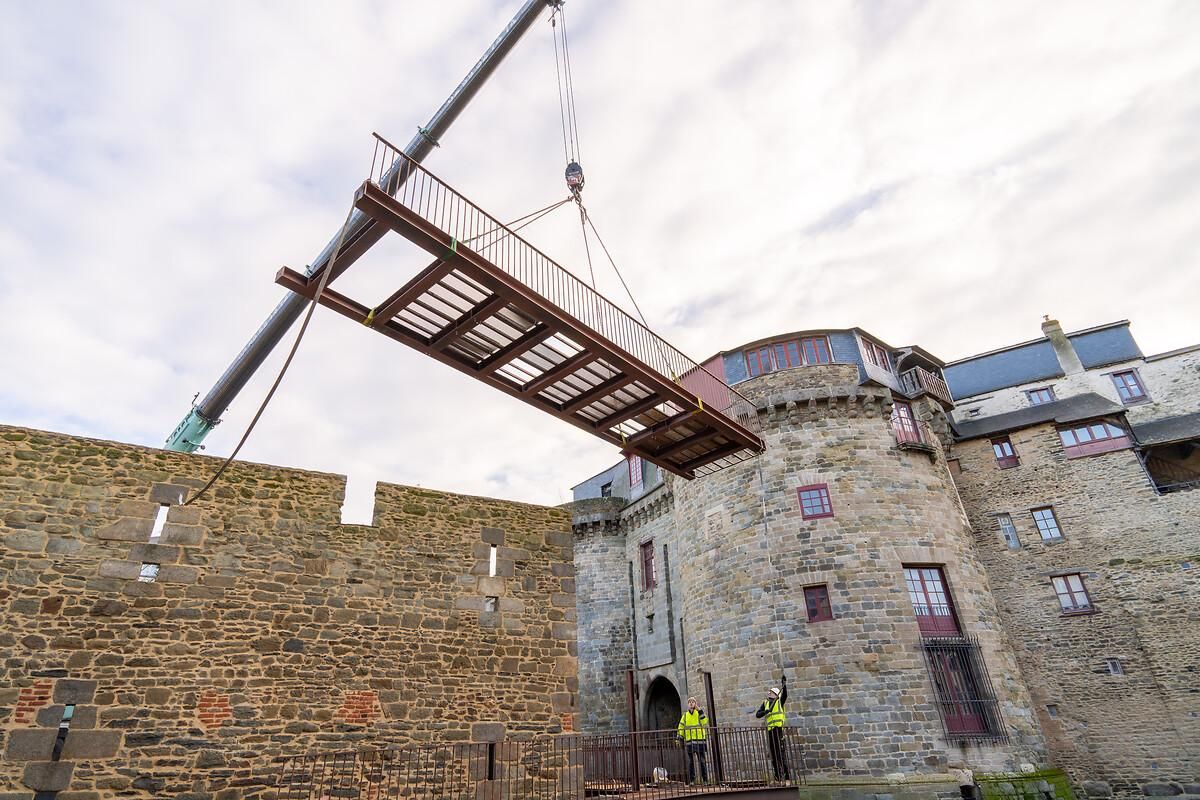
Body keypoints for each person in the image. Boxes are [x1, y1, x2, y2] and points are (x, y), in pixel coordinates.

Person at [754, 674, 789, 781]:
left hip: (778, 730)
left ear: (776, 694)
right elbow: (758, 714)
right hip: (770, 731)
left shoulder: (779, 702)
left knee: (780, 752)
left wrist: (784, 685)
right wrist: (766, 711)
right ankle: (777, 774)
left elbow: (785, 695)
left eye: (771, 692)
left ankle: (786, 774)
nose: (769, 693)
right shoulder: (765, 703)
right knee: (773, 753)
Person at [676, 696, 709, 785]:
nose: (691, 703)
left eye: (693, 702)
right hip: (690, 741)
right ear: (688, 705)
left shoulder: (699, 713)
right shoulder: (685, 716)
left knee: (702, 761)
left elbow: (704, 722)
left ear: (695, 704)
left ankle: (705, 780)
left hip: (699, 740)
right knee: (691, 762)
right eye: (689, 702)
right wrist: (679, 738)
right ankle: (692, 780)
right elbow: (681, 727)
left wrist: (700, 710)